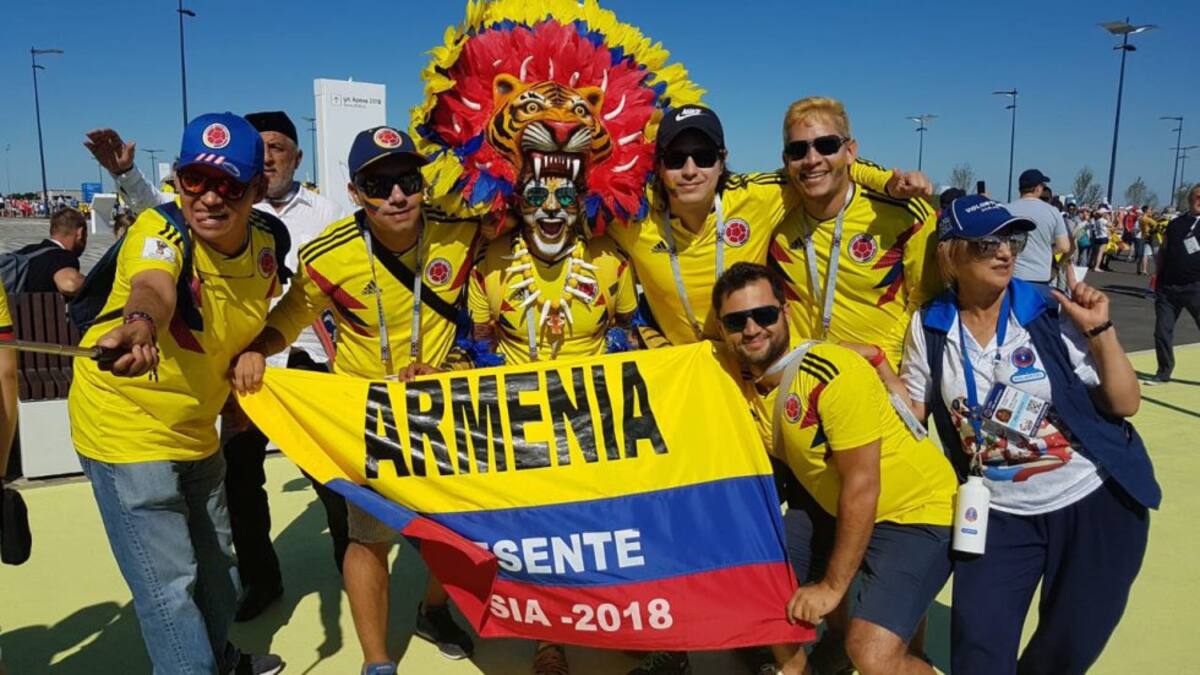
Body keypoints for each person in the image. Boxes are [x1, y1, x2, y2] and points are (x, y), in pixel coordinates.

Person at [230, 126, 477, 675]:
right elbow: (289, 317)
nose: (397, 195)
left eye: (407, 180)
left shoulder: (462, 231)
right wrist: (256, 349)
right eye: (378, 184)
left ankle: (433, 612)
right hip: (367, 419)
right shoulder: (329, 253)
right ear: (355, 191)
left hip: (443, 408)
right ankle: (377, 660)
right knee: (368, 539)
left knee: (457, 532)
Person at [86, 114, 350, 621]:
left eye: (277, 148)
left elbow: (332, 284)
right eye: (260, 148)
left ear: (296, 158)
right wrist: (125, 175)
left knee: (330, 477)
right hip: (239, 374)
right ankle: (260, 581)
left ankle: (349, 561)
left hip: (303, 364)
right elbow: (162, 224)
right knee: (241, 483)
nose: (268, 157)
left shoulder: (325, 212)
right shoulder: (214, 203)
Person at [901, 194, 1159, 675]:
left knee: (1066, 649)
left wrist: (1100, 330)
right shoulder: (930, 326)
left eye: (1012, 240)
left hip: (1091, 499)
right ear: (950, 254)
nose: (1005, 252)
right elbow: (914, 411)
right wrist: (872, 368)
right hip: (998, 512)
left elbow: (1125, 403)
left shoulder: (1048, 310)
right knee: (978, 650)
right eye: (987, 243)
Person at [67, 113, 285, 674]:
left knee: (218, 570)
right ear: (178, 182)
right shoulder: (158, 232)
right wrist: (140, 324)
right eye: (195, 180)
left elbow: (252, 317)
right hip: (125, 424)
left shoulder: (268, 244)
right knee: (168, 586)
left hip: (196, 427)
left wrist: (252, 355)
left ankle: (223, 661)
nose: (209, 198)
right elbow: (153, 286)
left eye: (229, 185)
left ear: (257, 190)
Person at [713, 262, 956, 675]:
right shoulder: (736, 376)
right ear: (721, 329)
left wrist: (830, 587)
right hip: (834, 504)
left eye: (764, 315)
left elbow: (863, 484)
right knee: (760, 582)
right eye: (736, 321)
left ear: (786, 312)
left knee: (872, 654)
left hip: (915, 511)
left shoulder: (831, 373)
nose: (751, 329)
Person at [469, 154, 637, 675]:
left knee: (607, 529)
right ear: (518, 203)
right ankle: (549, 642)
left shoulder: (609, 260)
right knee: (536, 538)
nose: (550, 209)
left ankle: (626, 620)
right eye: (536, 197)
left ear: (581, 203)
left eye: (564, 197)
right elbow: (479, 345)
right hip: (522, 427)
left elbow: (629, 329)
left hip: (595, 422)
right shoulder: (491, 264)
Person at [770, 97, 941, 370]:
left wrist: (883, 360)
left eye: (827, 145)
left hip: (881, 376)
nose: (812, 159)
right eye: (798, 150)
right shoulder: (773, 214)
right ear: (786, 160)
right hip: (803, 377)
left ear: (850, 151)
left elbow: (926, 301)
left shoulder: (907, 214)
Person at [1148, 184, 1200, 385]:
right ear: (1190, 199)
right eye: (1197, 197)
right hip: (1168, 287)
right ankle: (1163, 371)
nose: (1199, 201)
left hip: (1195, 287)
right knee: (1162, 331)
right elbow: (1164, 249)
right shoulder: (1176, 224)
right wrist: (1157, 277)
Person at [1004, 169, 1070, 284]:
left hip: (1012, 274)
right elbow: (1064, 246)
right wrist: (1045, 252)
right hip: (1040, 275)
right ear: (1038, 188)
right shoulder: (1052, 212)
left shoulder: (1006, 210)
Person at [3, 207, 88, 295]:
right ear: (80, 233)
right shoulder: (62, 257)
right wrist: (93, 283)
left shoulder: (26, 251)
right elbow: (70, 285)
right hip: (40, 304)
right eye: (86, 236)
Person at [1091, 206, 1111, 271]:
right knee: (1100, 253)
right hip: (1103, 237)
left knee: (1096, 253)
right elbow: (1110, 225)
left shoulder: (1097, 220)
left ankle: (1094, 265)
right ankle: (1097, 267)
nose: (1107, 214)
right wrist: (1108, 219)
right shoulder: (1103, 220)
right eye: (1106, 213)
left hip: (1097, 237)